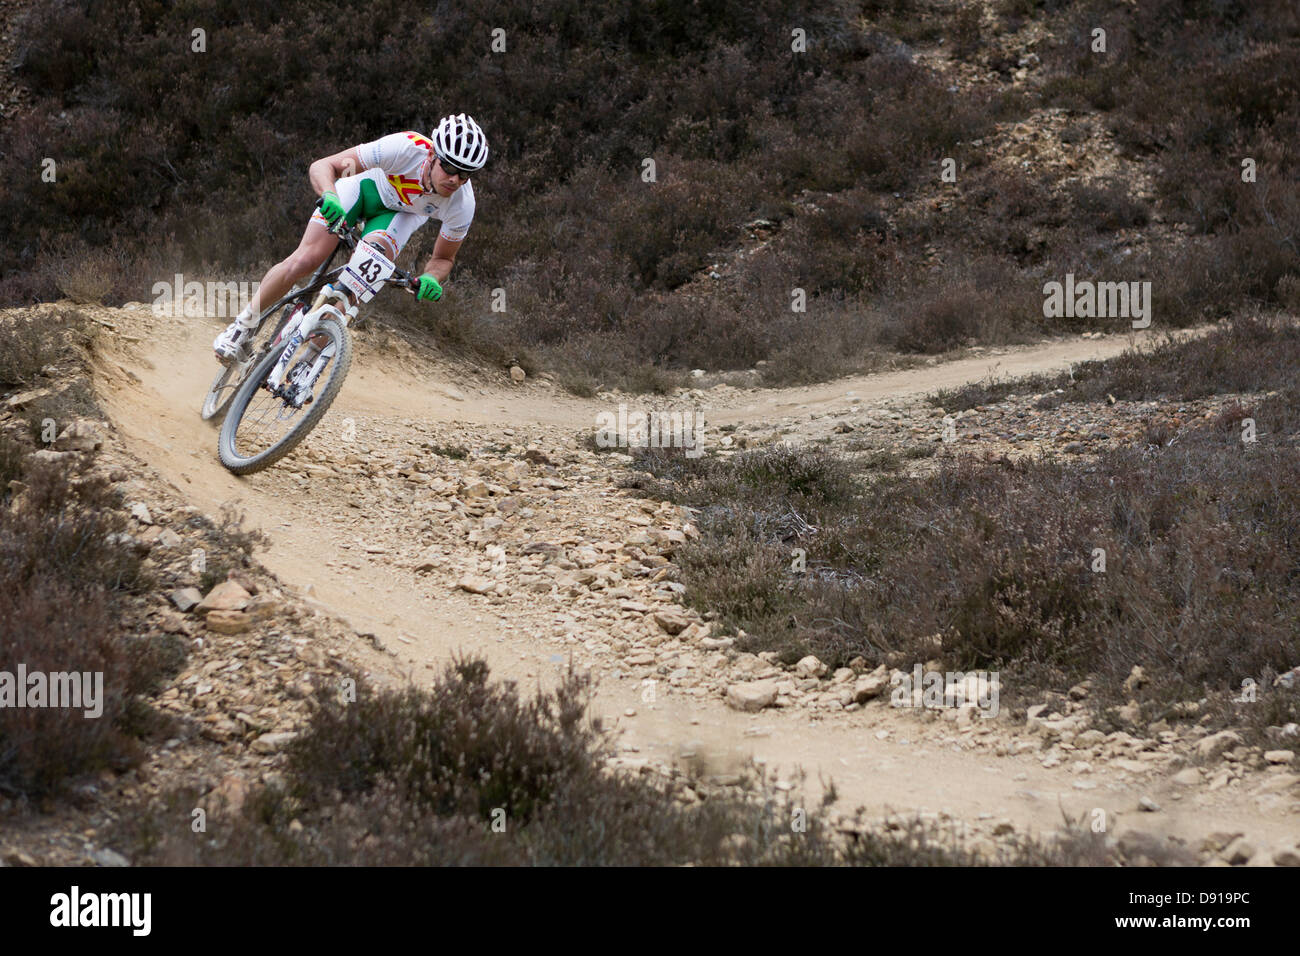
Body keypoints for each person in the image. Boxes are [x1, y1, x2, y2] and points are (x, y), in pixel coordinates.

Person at [213, 113, 487, 364]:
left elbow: (443, 258)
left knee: (356, 287)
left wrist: (431, 278)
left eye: (465, 175)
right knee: (306, 259)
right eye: (449, 168)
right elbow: (324, 166)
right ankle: (241, 328)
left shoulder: (463, 203)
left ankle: (307, 364)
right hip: (363, 189)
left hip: (397, 218)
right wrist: (330, 196)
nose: (454, 179)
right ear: (431, 155)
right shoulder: (405, 147)